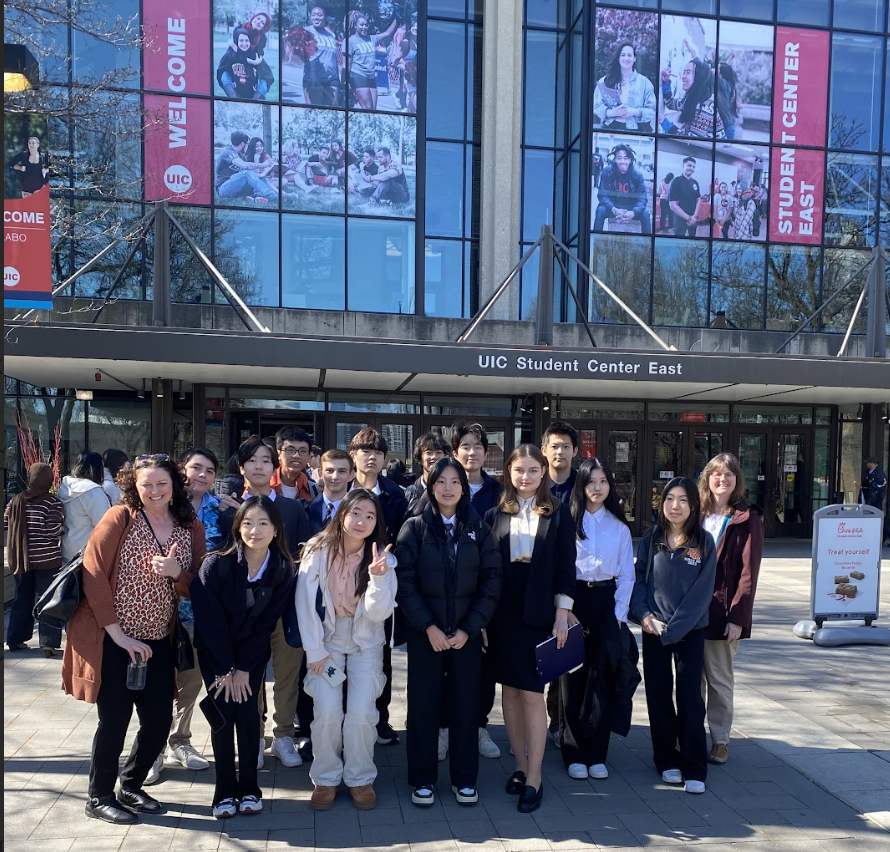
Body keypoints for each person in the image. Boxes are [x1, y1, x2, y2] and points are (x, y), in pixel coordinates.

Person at [62, 454, 206, 824]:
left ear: (174, 484)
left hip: (159, 639)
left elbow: (201, 581)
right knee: (114, 720)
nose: (155, 491)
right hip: (114, 639)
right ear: (134, 486)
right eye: (147, 484)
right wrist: (118, 634)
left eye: (162, 483)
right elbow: (93, 574)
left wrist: (177, 574)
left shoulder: (190, 526)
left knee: (158, 720)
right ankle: (98, 796)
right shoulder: (121, 517)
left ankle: (131, 784)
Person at [396, 457, 502, 807]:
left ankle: (464, 779)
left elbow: (491, 582)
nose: (448, 488)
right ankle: (423, 779)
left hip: (465, 635)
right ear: (431, 485)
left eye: (455, 482)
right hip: (426, 634)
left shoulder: (479, 528)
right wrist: (427, 626)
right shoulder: (413, 528)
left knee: (465, 707)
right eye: (441, 481)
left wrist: (470, 628)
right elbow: (405, 583)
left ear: (464, 487)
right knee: (423, 705)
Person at [191, 496, 295, 818]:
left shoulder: (281, 570)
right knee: (223, 717)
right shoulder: (215, 564)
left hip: (250, 658)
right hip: (216, 656)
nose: (255, 530)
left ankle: (250, 788)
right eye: (248, 523)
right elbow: (209, 622)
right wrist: (226, 669)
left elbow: (265, 625)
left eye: (264, 523)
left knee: (249, 716)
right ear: (238, 527)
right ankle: (223, 792)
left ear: (276, 530)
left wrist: (245, 668)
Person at [485, 446, 575, 813]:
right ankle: (519, 767)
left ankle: (535, 775)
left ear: (543, 473)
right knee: (509, 691)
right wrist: (484, 620)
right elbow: (489, 571)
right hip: (504, 613)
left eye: (533, 470)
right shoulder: (495, 513)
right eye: (519, 470)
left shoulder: (559, 514)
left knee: (533, 694)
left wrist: (562, 613)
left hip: (540, 613)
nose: (526, 476)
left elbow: (567, 567)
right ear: (509, 472)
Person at [298, 489, 397, 811]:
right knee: (327, 711)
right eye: (356, 513)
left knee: (361, 714)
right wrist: (314, 652)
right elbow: (304, 605)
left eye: (370, 517)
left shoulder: (383, 557)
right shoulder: (317, 550)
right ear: (342, 514)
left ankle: (360, 777)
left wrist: (379, 580)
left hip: (366, 640)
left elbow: (379, 613)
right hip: (325, 640)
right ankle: (325, 778)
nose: (361, 521)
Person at [217, 436, 311, 770]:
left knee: (287, 674)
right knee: (251, 673)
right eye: (252, 460)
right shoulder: (229, 507)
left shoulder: (291, 507)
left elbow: (303, 555)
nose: (259, 466)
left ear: (275, 467)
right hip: (245, 612)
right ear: (241, 468)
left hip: (285, 606)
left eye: (265, 460)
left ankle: (283, 735)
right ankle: (253, 736)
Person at [630, 477, 716, 795]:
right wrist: (644, 615)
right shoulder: (651, 538)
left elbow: (701, 593)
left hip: (689, 632)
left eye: (682, 500)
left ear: (693, 506)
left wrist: (675, 630)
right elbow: (638, 581)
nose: (675, 506)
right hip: (654, 630)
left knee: (690, 699)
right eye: (669, 499)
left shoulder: (704, 541)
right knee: (658, 695)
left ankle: (694, 764)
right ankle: (666, 760)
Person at [146, 447, 222, 785]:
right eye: (196, 468)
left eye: (209, 470)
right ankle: (153, 748)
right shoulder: (157, 507)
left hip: (195, 607)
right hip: (156, 610)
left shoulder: (219, 510)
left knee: (190, 679)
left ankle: (181, 739)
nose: (202, 475)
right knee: (157, 682)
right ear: (182, 470)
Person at [561, 459, 637, 781]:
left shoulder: (619, 528)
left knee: (602, 677)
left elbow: (628, 576)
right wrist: (563, 610)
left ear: (610, 486)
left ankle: (598, 753)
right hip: (572, 601)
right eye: (590, 481)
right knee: (572, 679)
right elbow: (560, 569)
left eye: (602, 481)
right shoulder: (567, 522)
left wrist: (618, 615)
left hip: (606, 605)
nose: (596, 487)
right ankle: (574, 751)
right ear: (581, 484)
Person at [436, 421, 505, 763]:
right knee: (445, 667)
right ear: (455, 450)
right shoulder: (439, 489)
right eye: (465, 445)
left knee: (483, 667)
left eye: (478, 446)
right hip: (446, 594)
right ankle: (444, 728)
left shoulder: (498, 492)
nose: (472, 452)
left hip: (484, 596)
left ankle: (479, 726)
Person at [698, 453, 763, 766]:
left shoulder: (746, 518)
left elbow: (749, 574)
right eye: (716, 475)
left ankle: (720, 740)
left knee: (719, 681)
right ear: (707, 479)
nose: (721, 480)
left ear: (737, 480)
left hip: (723, 614)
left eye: (728, 475)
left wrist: (738, 618)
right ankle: (690, 734)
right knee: (688, 681)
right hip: (690, 613)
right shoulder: (695, 513)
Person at [349, 428, 409, 745]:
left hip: (379, 582)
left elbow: (398, 540)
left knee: (380, 651)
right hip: (342, 584)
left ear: (385, 459)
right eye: (364, 450)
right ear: (353, 455)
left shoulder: (395, 495)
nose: (371, 456)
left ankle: (380, 717)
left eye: (377, 452)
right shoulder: (341, 490)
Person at [540, 421, 579, 744]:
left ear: (575, 452)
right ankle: (535, 722)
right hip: (538, 590)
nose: (560, 451)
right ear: (544, 451)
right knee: (537, 658)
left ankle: (559, 723)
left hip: (571, 587)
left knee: (564, 664)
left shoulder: (583, 487)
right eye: (554, 446)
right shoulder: (534, 487)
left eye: (566, 446)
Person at [4, 463, 64, 656]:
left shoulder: (15, 500)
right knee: (47, 600)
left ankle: (15, 639)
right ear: (48, 480)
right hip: (47, 561)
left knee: (22, 599)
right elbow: (53, 529)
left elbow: (6, 523)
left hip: (20, 560)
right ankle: (48, 643)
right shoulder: (51, 502)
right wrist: (64, 530)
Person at [58, 451, 112, 563]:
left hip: (68, 546)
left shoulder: (66, 487)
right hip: (87, 550)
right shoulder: (92, 491)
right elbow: (104, 524)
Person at [593, 42, 656, 132]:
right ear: (618, 58)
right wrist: (611, 113)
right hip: (611, 127)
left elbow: (652, 111)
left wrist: (634, 112)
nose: (626, 58)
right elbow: (596, 105)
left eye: (629, 55)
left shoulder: (645, 83)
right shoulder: (605, 81)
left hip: (638, 130)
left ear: (634, 58)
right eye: (623, 55)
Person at [593, 144, 652, 234]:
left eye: (626, 158)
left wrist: (633, 212)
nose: (622, 161)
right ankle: (595, 241)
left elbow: (642, 197)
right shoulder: (607, 172)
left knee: (645, 214)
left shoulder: (637, 175)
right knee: (600, 210)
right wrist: (614, 209)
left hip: (631, 206)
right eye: (619, 158)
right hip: (613, 205)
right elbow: (602, 194)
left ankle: (648, 245)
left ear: (630, 160)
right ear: (615, 159)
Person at [660, 59, 725, 139]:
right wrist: (666, 83)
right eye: (684, 72)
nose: (683, 76)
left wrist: (665, 123)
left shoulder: (704, 107)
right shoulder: (693, 98)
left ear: (699, 77)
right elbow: (671, 104)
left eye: (688, 73)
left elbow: (690, 141)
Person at [347, 11, 399, 110]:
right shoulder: (350, 41)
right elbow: (347, 64)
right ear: (355, 26)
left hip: (370, 76)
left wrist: (397, 19)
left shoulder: (371, 38)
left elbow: (387, 33)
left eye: (366, 25)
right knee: (367, 108)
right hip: (358, 75)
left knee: (373, 109)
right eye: (361, 25)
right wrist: (346, 82)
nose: (364, 27)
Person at [215, 131, 279, 204]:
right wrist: (263, 165)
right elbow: (244, 166)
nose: (248, 146)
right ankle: (273, 197)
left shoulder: (241, 155)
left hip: (237, 187)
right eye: (247, 144)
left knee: (260, 177)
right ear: (242, 144)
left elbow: (252, 175)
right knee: (246, 173)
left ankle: (256, 198)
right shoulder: (228, 153)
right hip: (223, 189)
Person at [300, 5, 342, 106]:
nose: (316, 17)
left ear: (325, 17)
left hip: (332, 79)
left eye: (319, 15)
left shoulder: (331, 35)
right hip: (314, 79)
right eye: (313, 15)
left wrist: (338, 77)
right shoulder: (305, 32)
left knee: (332, 113)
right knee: (316, 112)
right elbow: (297, 53)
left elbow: (333, 58)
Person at [308, 450, 356, 535]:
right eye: (330, 471)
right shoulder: (305, 509)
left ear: (351, 475)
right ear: (320, 474)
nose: (335, 477)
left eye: (342, 471)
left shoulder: (358, 511)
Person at [228, 12, 275, 99]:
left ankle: (255, 100)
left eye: (262, 22)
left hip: (254, 60)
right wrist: (236, 48)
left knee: (264, 82)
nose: (258, 22)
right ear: (253, 18)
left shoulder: (262, 38)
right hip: (236, 58)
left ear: (264, 27)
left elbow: (259, 55)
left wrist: (255, 61)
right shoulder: (240, 28)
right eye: (258, 18)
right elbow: (232, 49)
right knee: (225, 76)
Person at [406, 432, 451, 514]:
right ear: (420, 459)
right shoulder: (410, 492)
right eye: (429, 453)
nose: (434, 457)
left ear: (445, 456)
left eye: (439, 452)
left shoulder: (452, 490)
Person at [271, 426, 320, 501]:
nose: (296, 455)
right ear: (278, 454)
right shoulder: (265, 485)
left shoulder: (314, 490)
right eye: (290, 450)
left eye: (303, 451)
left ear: (309, 456)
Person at [217, 28, 262, 99]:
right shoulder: (229, 54)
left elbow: (263, 73)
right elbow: (220, 73)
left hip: (250, 92)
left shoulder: (254, 55)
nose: (244, 44)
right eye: (241, 40)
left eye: (246, 40)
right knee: (224, 74)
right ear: (236, 41)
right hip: (235, 89)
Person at [669, 157, 703, 238]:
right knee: (679, 243)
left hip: (693, 218)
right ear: (683, 166)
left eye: (693, 167)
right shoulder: (676, 181)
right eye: (689, 165)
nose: (691, 168)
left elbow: (698, 199)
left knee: (692, 241)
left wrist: (694, 216)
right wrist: (688, 218)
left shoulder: (695, 183)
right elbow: (673, 206)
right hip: (680, 219)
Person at [716, 63, 740, 141]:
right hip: (729, 126)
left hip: (727, 128)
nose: (716, 70)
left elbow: (709, 74)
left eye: (718, 69)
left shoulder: (724, 84)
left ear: (723, 73)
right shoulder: (729, 85)